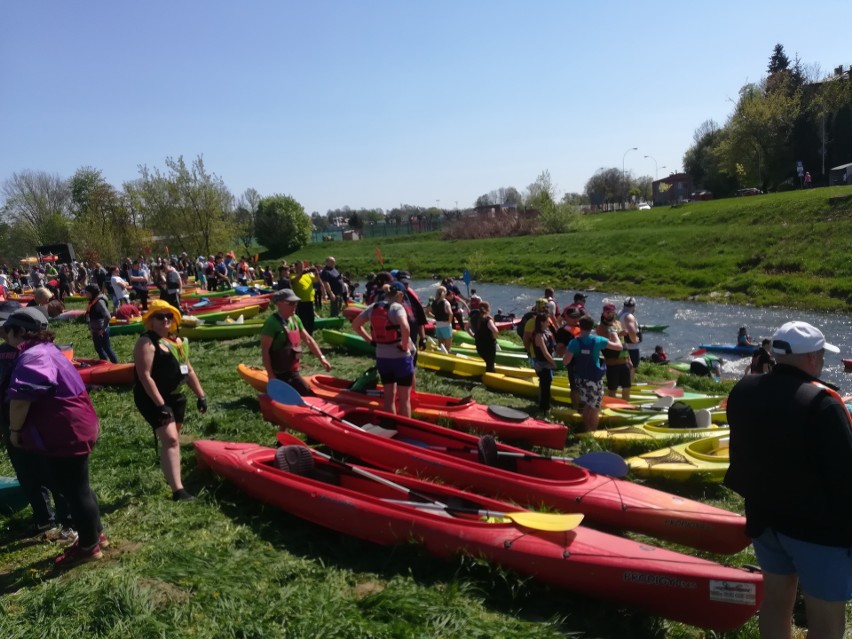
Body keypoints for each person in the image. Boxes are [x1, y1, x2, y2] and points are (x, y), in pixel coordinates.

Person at [724, 321, 850, 639]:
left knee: (776, 602)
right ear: (810, 358)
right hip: (818, 530)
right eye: (821, 355)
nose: (821, 361)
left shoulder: (744, 389)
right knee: (826, 620)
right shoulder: (824, 402)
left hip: (765, 516)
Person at [4, 307, 108, 567]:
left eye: (8, 331)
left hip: (64, 428)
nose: (5, 336)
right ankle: (96, 534)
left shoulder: (33, 357)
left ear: (20, 331)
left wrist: (14, 432)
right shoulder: (50, 350)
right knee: (79, 485)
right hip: (76, 422)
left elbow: (20, 401)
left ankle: (88, 546)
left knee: (73, 490)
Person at [0, 306, 75, 542]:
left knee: (52, 475)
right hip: (10, 424)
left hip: (37, 426)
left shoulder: (39, 356)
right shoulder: (3, 353)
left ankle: (69, 523)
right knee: (27, 475)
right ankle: (43, 519)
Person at [133, 300, 207, 501]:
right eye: (160, 316)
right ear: (151, 320)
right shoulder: (146, 343)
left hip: (177, 396)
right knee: (171, 439)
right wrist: (160, 405)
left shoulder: (177, 342)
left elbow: (188, 369)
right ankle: (178, 490)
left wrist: (201, 396)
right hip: (153, 397)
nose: (165, 320)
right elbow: (145, 376)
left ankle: (172, 474)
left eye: (169, 316)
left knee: (173, 440)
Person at [351, 281, 415, 417]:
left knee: (388, 397)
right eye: (403, 296)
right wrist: (404, 345)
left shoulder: (373, 307)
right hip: (400, 358)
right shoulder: (397, 307)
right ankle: (405, 430)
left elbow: (355, 325)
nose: (403, 300)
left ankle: (390, 425)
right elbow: (405, 326)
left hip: (382, 358)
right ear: (399, 295)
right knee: (404, 399)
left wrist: (371, 341)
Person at [260, 288, 332, 396]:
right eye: (291, 303)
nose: (295, 306)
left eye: (296, 303)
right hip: (281, 372)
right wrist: (271, 376)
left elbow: (308, 339)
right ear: (279, 303)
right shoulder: (271, 323)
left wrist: (322, 358)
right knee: (308, 395)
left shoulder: (295, 319)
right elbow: (265, 350)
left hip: (292, 369)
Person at [563, 315, 622, 432]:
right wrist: (614, 332)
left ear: (580, 326)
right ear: (592, 328)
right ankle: (592, 432)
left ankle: (586, 429)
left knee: (587, 404)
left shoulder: (574, 342)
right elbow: (619, 347)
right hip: (594, 379)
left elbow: (566, 361)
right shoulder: (598, 340)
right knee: (595, 407)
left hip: (580, 378)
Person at [596, 303, 632, 400]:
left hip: (624, 361)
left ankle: (625, 406)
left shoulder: (618, 323)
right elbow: (604, 341)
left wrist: (629, 359)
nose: (610, 314)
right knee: (613, 388)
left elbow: (624, 342)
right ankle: (612, 406)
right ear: (603, 313)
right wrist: (619, 334)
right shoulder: (601, 327)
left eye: (612, 312)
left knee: (627, 387)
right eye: (608, 312)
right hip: (612, 362)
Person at [555, 306, 584, 408]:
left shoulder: (583, 328)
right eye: (573, 317)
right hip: (573, 363)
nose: (576, 320)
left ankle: (585, 406)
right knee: (575, 387)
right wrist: (571, 345)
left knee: (586, 386)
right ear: (566, 317)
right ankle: (576, 407)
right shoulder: (562, 332)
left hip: (586, 361)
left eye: (577, 317)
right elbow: (559, 351)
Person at [84, 284, 118, 364]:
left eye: (87, 292)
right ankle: (105, 364)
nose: (86, 294)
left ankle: (116, 366)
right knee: (98, 348)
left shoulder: (99, 302)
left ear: (92, 292)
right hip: (95, 329)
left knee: (106, 348)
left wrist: (103, 329)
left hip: (101, 330)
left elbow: (108, 316)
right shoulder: (94, 299)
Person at [531, 313, 557, 412]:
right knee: (545, 385)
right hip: (542, 364)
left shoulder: (546, 332)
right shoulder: (538, 335)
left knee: (547, 383)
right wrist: (553, 363)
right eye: (547, 321)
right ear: (542, 322)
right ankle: (544, 407)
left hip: (548, 363)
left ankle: (545, 405)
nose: (549, 323)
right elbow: (545, 352)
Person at [291, 260, 318, 335]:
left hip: (310, 300)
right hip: (301, 302)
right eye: (299, 266)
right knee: (302, 319)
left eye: (302, 266)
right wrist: (301, 273)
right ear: (295, 267)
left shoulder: (308, 274)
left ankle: (310, 333)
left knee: (310, 318)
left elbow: (316, 281)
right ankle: (302, 334)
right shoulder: (293, 275)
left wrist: (316, 272)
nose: (301, 268)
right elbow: (294, 281)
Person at [618, 297, 641, 380]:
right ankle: (628, 388)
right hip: (631, 348)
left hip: (621, 346)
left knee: (622, 368)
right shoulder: (628, 316)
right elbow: (631, 330)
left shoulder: (620, 314)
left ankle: (620, 384)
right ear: (634, 306)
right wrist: (635, 340)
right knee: (631, 368)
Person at [473, 301, 499, 373]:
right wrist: (494, 338)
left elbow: (466, 327)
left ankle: (486, 374)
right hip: (489, 345)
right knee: (490, 364)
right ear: (488, 309)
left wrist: (473, 335)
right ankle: (491, 377)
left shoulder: (474, 317)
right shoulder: (488, 319)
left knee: (486, 360)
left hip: (478, 343)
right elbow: (495, 331)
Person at [429, 285, 454, 353]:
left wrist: (434, 316)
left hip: (438, 326)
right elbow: (451, 313)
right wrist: (449, 322)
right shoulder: (446, 302)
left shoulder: (434, 302)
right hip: (446, 325)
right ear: (445, 293)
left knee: (440, 346)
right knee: (448, 347)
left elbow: (427, 312)